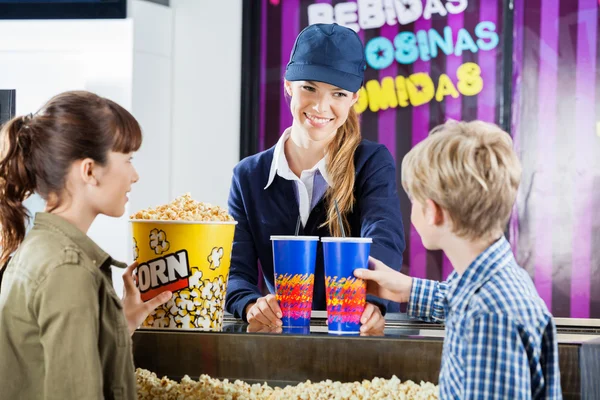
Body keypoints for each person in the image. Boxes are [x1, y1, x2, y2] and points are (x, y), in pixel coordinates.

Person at [354, 121, 562, 398]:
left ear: (432, 212)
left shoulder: (489, 319)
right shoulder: (492, 280)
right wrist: (408, 289)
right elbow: (457, 299)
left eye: (414, 200)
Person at [225, 23, 405, 334]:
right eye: (309, 87)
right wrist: (251, 304)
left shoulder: (371, 163)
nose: (321, 106)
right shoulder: (248, 176)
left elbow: (384, 239)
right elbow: (234, 268)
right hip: (280, 338)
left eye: (338, 93)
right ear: (288, 86)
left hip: (353, 335)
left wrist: (375, 301)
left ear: (353, 99)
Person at [0, 91, 171, 399]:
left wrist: (120, 325)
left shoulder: (39, 248)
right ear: (89, 170)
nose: (135, 175)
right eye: (128, 159)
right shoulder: (67, 270)